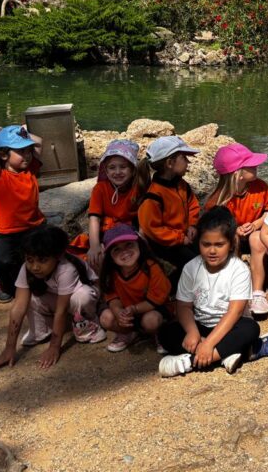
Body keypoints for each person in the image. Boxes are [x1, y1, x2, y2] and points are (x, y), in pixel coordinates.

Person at [156, 208, 268, 377]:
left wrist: (208, 344)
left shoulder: (239, 269)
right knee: (166, 333)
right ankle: (226, 354)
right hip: (201, 326)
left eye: (219, 245)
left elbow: (235, 312)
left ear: (231, 244)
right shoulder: (191, 268)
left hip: (230, 327)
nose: (212, 251)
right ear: (198, 243)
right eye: (206, 244)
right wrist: (192, 332)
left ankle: (189, 362)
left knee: (250, 329)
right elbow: (183, 306)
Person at [0, 225, 104, 371]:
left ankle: (87, 326)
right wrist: (9, 348)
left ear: (58, 256)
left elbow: (61, 310)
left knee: (82, 297)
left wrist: (54, 347)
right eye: (30, 260)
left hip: (82, 296)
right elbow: (19, 306)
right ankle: (41, 331)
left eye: (42, 260)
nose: (35, 267)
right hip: (57, 295)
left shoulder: (66, 269)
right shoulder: (26, 268)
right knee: (28, 297)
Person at [203, 143, 268, 315]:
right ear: (238, 173)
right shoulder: (218, 199)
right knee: (231, 239)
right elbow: (214, 228)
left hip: (253, 235)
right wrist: (234, 230)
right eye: (251, 164)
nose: (256, 165)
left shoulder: (261, 187)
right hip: (232, 237)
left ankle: (257, 293)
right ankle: (234, 286)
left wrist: (256, 224)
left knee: (257, 238)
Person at [0, 124, 45, 302]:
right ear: (4, 155)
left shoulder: (30, 169)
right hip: (6, 232)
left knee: (44, 255)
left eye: (28, 151)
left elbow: (39, 142)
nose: (27, 155)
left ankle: (36, 281)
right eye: (20, 151)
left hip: (34, 226)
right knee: (2, 263)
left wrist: (22, 130)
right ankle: (5, 285)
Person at [137, 136, 201, 286]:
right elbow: (152, 229)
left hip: (183, 235)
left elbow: (193, 205)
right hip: (164, 244)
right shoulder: (154, 195)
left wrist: (192, 225)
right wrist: (180, 239)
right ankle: (170, 288)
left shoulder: (182, 184)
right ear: (170, 163)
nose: (188, 162)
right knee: (193, 264)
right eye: (184, 158)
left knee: (207, 252)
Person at [98, 224, 173, 353]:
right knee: (106, 318)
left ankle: (159, 334)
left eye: (129, 244)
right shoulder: (112, 273)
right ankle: (128, 333)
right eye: (116, 249)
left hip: (154, 310)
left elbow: (156, 301)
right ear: (110, 256)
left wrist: (134, 309)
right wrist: (118, 312)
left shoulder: (151, 267)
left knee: (151, 321)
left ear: (139, 245)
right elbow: (112, 297)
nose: (124, 251)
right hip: (130, 315)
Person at [69, 139, 141, 270]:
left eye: (123, 167)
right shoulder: (100, 189)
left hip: (130, 229)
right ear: (106, 171)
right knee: (93, 256)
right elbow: (94, 218)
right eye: (112, 167)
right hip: (107, 230)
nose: (117, 172)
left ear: (132, 169)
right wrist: (94, 245)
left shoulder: (138, 188)